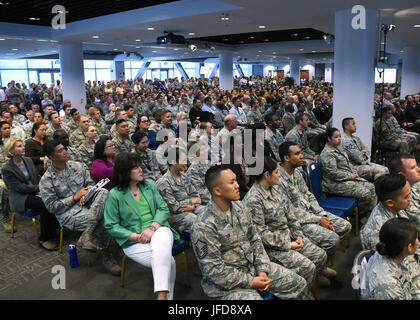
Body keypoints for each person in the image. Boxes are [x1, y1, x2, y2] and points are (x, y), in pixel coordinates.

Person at [192, 164, 307, 300]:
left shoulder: (239, 206)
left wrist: (263, 270)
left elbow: (255, 239)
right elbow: (214, 271)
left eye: (236, 180)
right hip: (227, 284)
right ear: (217, 190)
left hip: (253, 268)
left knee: (299, 283)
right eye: (232, 182)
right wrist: (250, 281)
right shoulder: (203, 226)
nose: (237, 186)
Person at [243, 156, 327, 297]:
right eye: (276, 172)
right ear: (267, 175)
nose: (280, 174)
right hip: (273, 248)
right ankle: (304, 294)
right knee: (307, 267)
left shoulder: (275, 188)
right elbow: (261, 234)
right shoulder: (253, 200)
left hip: (289, 237)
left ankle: (310, 286)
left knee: (320, 255)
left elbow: (290, 214)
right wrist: (289, 244)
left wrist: (298, 235)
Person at [104, 152, 179, 300]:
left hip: (158, 229)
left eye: (140, 166)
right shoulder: (115, 195)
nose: (140, 170)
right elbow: (111, 225)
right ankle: (165, 297)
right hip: (134, 240)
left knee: (162, 236)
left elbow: (163, 209)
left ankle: (161, 296)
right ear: (125, 172)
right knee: (168, 262)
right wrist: (137, 237)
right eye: (135, 168)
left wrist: (151, 229)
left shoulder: (149, 185)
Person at [39, 140, 120, 275]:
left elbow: (90, 183)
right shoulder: (46, 180)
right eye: (59, 151)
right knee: (105, 219)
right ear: (52, 157)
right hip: (68, 213)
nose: (65, 152)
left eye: (64, 148)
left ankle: (87, 234)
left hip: (88, 202)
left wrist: (87, 191)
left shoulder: (78, 166)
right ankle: (107, 257)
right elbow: (52, 207)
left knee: (104, 192)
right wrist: (75, 197)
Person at [277, 141, 352, 271]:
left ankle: (322, 263)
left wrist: (321, 214)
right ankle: (320, 268)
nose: (302, 156)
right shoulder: (277, 179)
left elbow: (309, 195)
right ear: (287, 158)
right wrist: (317, 220)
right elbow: (290, 211)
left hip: (312, 214)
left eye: (301, 152)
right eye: (297, 154)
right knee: (333, 239)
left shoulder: (297, 173)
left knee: (345, 226)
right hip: (298, 221)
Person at [2, 139, 60, 250]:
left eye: (22, 145)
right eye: (19, 146)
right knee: (45, 203)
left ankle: (54, 226)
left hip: (35, 190)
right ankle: (44, 238)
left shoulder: (27, 160)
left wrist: (44, 185)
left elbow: (36, 177)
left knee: (54, 195)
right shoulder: (7, 169)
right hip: (21, 198)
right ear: (11, 151)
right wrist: (40, 188)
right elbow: (19, 188)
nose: (23, 147)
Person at [319, 127, 377, 220]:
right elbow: (333, 174)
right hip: (333, 184)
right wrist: (351, 175)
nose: (339, 139)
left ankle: (370, 216)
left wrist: (353, 171)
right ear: (329, 139)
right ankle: (362, 218)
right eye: (336, 137)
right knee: (366, 193)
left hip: (345, 179)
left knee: (372, 187)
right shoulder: (327, 153)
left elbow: (346, 163)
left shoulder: (338, 148)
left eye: (340, 136)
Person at [362, 218, 420, 300]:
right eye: (416, 238)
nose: (418, 241)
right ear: (409, 247)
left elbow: (409, 283)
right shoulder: (389, 289)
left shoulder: (392, 250)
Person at [157, 146, 206, 233]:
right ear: (174, 162)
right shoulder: (164, 183)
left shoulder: (184, 176)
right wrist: (192, 202)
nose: (186, 163)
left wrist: (192, 206)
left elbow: (197, 197)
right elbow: (174, 207)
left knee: (207, 213)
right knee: (195, 221)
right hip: (175, 216)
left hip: (191, 208)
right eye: (183, 160)